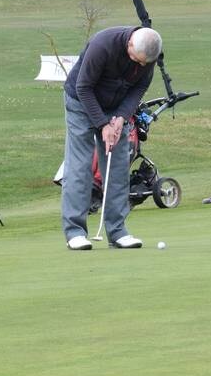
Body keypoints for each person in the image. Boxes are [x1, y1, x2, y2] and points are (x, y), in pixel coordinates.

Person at [61, 26, 162, 251]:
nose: (140, 66)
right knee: (80, 166)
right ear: (129, 45)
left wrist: (121, 118)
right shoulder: (103, 45)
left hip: (115, 108)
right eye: (136, 60)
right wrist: (102, 124)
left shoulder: (148, 54)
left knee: (117, 167)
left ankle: (117, 231)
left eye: (144, 63)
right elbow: (84, 87)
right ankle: (75, 232)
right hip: (80, 102)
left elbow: (139, 88)